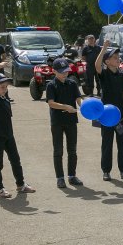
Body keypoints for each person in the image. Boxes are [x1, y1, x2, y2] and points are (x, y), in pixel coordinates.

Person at [0, 61, 35, 198]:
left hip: (8, 135)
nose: (5, 88)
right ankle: (0, 189)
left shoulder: (4, 98)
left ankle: (21, 185)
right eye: (2, 86)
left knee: (15, 160)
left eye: (6, 86)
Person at [95, 41, 123, 181]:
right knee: (107, 143)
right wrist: (104, 48)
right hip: (106, 115)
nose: (118, 59)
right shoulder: (103, 74)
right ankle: (106, 171)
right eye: (115, 58)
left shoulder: (122, 75)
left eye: (118, 57)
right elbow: (96, 65)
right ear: (107, 61)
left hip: (120, 115)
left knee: (122, 142)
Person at [46, 58, 83, 188]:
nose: (65, 74)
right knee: (58, 150)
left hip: (71, 121)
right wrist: (66, 107)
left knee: (72, 150)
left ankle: (72, 176)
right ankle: (60, 178)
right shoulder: (51, 85)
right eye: (61, 72)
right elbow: (51, 103)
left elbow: (78, 98)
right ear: (54, 71)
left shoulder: (72, 83)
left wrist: (84, 106)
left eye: (66, 71)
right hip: (57, 122)